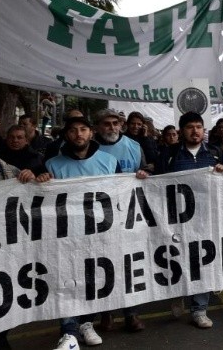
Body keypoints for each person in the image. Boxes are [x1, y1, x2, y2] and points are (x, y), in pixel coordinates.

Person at [39, 115, 148, 349]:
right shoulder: (52, 165)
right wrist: (39, 178)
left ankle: (87, 323)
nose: (78, 134)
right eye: (73, 130)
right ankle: (68, 331)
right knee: (67, 280)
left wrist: (136, 179)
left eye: (83, 129)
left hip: (101, 233)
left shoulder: (108, 161)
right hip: (66, 235)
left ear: (91, 133)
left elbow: (121, 192)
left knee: (93, 277)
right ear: (66, 135)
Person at [156, 111, 223, 329]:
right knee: (177, 259)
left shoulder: (216, 153)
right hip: (177, 219)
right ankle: (177, 294)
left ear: (204, 130)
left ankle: (199, 309)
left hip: (207, 217)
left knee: (201, 261)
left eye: (198, 126)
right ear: (181, 131)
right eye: (190, 127)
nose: (195, 131)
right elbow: (156, 184)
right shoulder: (168, 154)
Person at [91, 109, 151, 332]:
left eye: (115, 123)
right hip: (98, 217)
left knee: (128, 265)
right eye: (106, 124)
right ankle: (106, 313)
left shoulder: (134, 147)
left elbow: (146, 172)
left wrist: (145, 174)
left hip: (128, 214)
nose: (112, 127)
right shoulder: (89, 149)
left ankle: (131, 313)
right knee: (104, 266)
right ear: (97, 127)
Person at [0, 128, 35, 350]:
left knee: (1, 289)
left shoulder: (12, 173)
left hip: (2, 245)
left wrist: (33, 179)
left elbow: (33, 197)